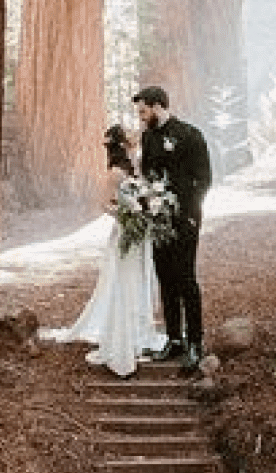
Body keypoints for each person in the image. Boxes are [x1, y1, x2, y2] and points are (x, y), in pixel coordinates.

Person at [44, 124, 166, 378]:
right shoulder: (115, 174)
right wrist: (128, 214)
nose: (135, 139)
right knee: (125, 283)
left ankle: (139, 330)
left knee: (139, 282)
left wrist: (146, 210)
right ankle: (122, 337)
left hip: (139, 235)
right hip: (126, 234)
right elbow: (102, 204)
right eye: (130, 137)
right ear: (122, 144)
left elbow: (144, 192)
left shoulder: (134, 167)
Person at [134, 84, 212, 369]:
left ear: (157, 106)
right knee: (165, 279)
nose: (141, 117)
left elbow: (204, 179)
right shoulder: (147, 138)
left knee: (186, 280)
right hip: (158, 221)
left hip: (186, 219)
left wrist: (189, 211)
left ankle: (195, 342)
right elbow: (147, 176)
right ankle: (174, 339)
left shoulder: (190, 135)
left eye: (143, 111)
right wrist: (146, 203)